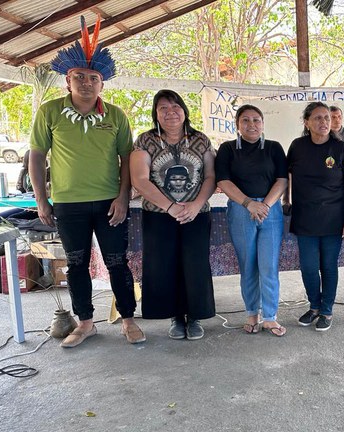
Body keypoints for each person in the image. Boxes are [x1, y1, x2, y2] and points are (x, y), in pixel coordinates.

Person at [29, 17, 144, 347]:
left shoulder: (116, 115)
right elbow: (36, 156)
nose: (86, 83)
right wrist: (41, 199)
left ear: (101, 84)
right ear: (68, 81)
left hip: (109, 202)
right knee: (76, 265)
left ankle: (128, 320)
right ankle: (86, 323)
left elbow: (126, 159)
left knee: (117, 263)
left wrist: (123, 197)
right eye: (79, 77)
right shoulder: (50, 112)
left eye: (93, 78)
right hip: (68, 204)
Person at [130, 89, 216, 340]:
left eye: (175, 107)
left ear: (184, 111)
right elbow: (139, 179)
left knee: (195, 265)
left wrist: (196, 204)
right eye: (163, 108)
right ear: (156, 114)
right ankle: (176, 317)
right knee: (164, 266)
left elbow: (211, 176)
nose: (170, 112)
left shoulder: (201, 140)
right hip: (159, 216)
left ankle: (194, 316)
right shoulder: (145, 141)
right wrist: (170, 206)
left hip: (196, 215)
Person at [215, 104, 288, 337]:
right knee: (248, 265)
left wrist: (264, 205)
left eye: (256, 120)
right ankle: (251, 314)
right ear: (237, 125)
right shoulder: (227, 149)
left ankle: (270, 317)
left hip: (270, 210)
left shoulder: (274, 147)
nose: (251, 124)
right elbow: (223, 181)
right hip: (241, 210)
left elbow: (282, 180)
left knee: (269, 265)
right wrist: (249, 204)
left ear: (263, 123)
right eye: (245, 120)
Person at [286, 102, 344, 332]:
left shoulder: (341, 149)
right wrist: (286, 200)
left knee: (328, 266)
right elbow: (286, 175)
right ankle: (314, 306)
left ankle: (326, 310)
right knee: (308, 267)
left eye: (327, 117)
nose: (324, 122)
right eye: (317, 118)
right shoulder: (297, 146)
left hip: (333, 219)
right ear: (306, 122)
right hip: (304, 218)